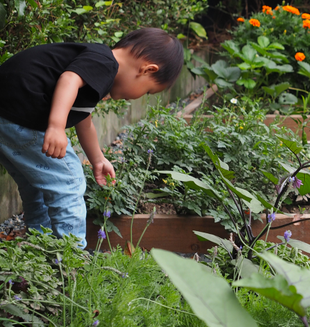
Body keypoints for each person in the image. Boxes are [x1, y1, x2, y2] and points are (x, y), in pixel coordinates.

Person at [0, 28, 183, 248]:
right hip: (21, 113)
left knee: (37, 185)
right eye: (147, 92)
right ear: (147, 69)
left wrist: (98, 159)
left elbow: (83, 119)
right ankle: (72, 258)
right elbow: (68, 80)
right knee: (69, 181)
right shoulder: (106, 63)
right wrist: (57, 126)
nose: (139, 97)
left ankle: (42, 244)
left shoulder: (97, 67)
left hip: (8, 117)